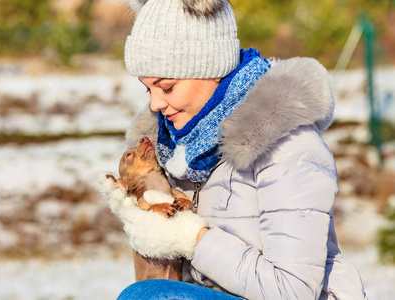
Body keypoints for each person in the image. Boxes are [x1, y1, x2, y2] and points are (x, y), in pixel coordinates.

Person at [100, 0, 368, 299]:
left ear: (210, 68)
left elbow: (293, 290)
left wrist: (193, 238)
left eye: (168, 87)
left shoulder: (289, 148)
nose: (155, 104)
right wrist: (145, 207)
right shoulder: (174, 150)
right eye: (147, 89)